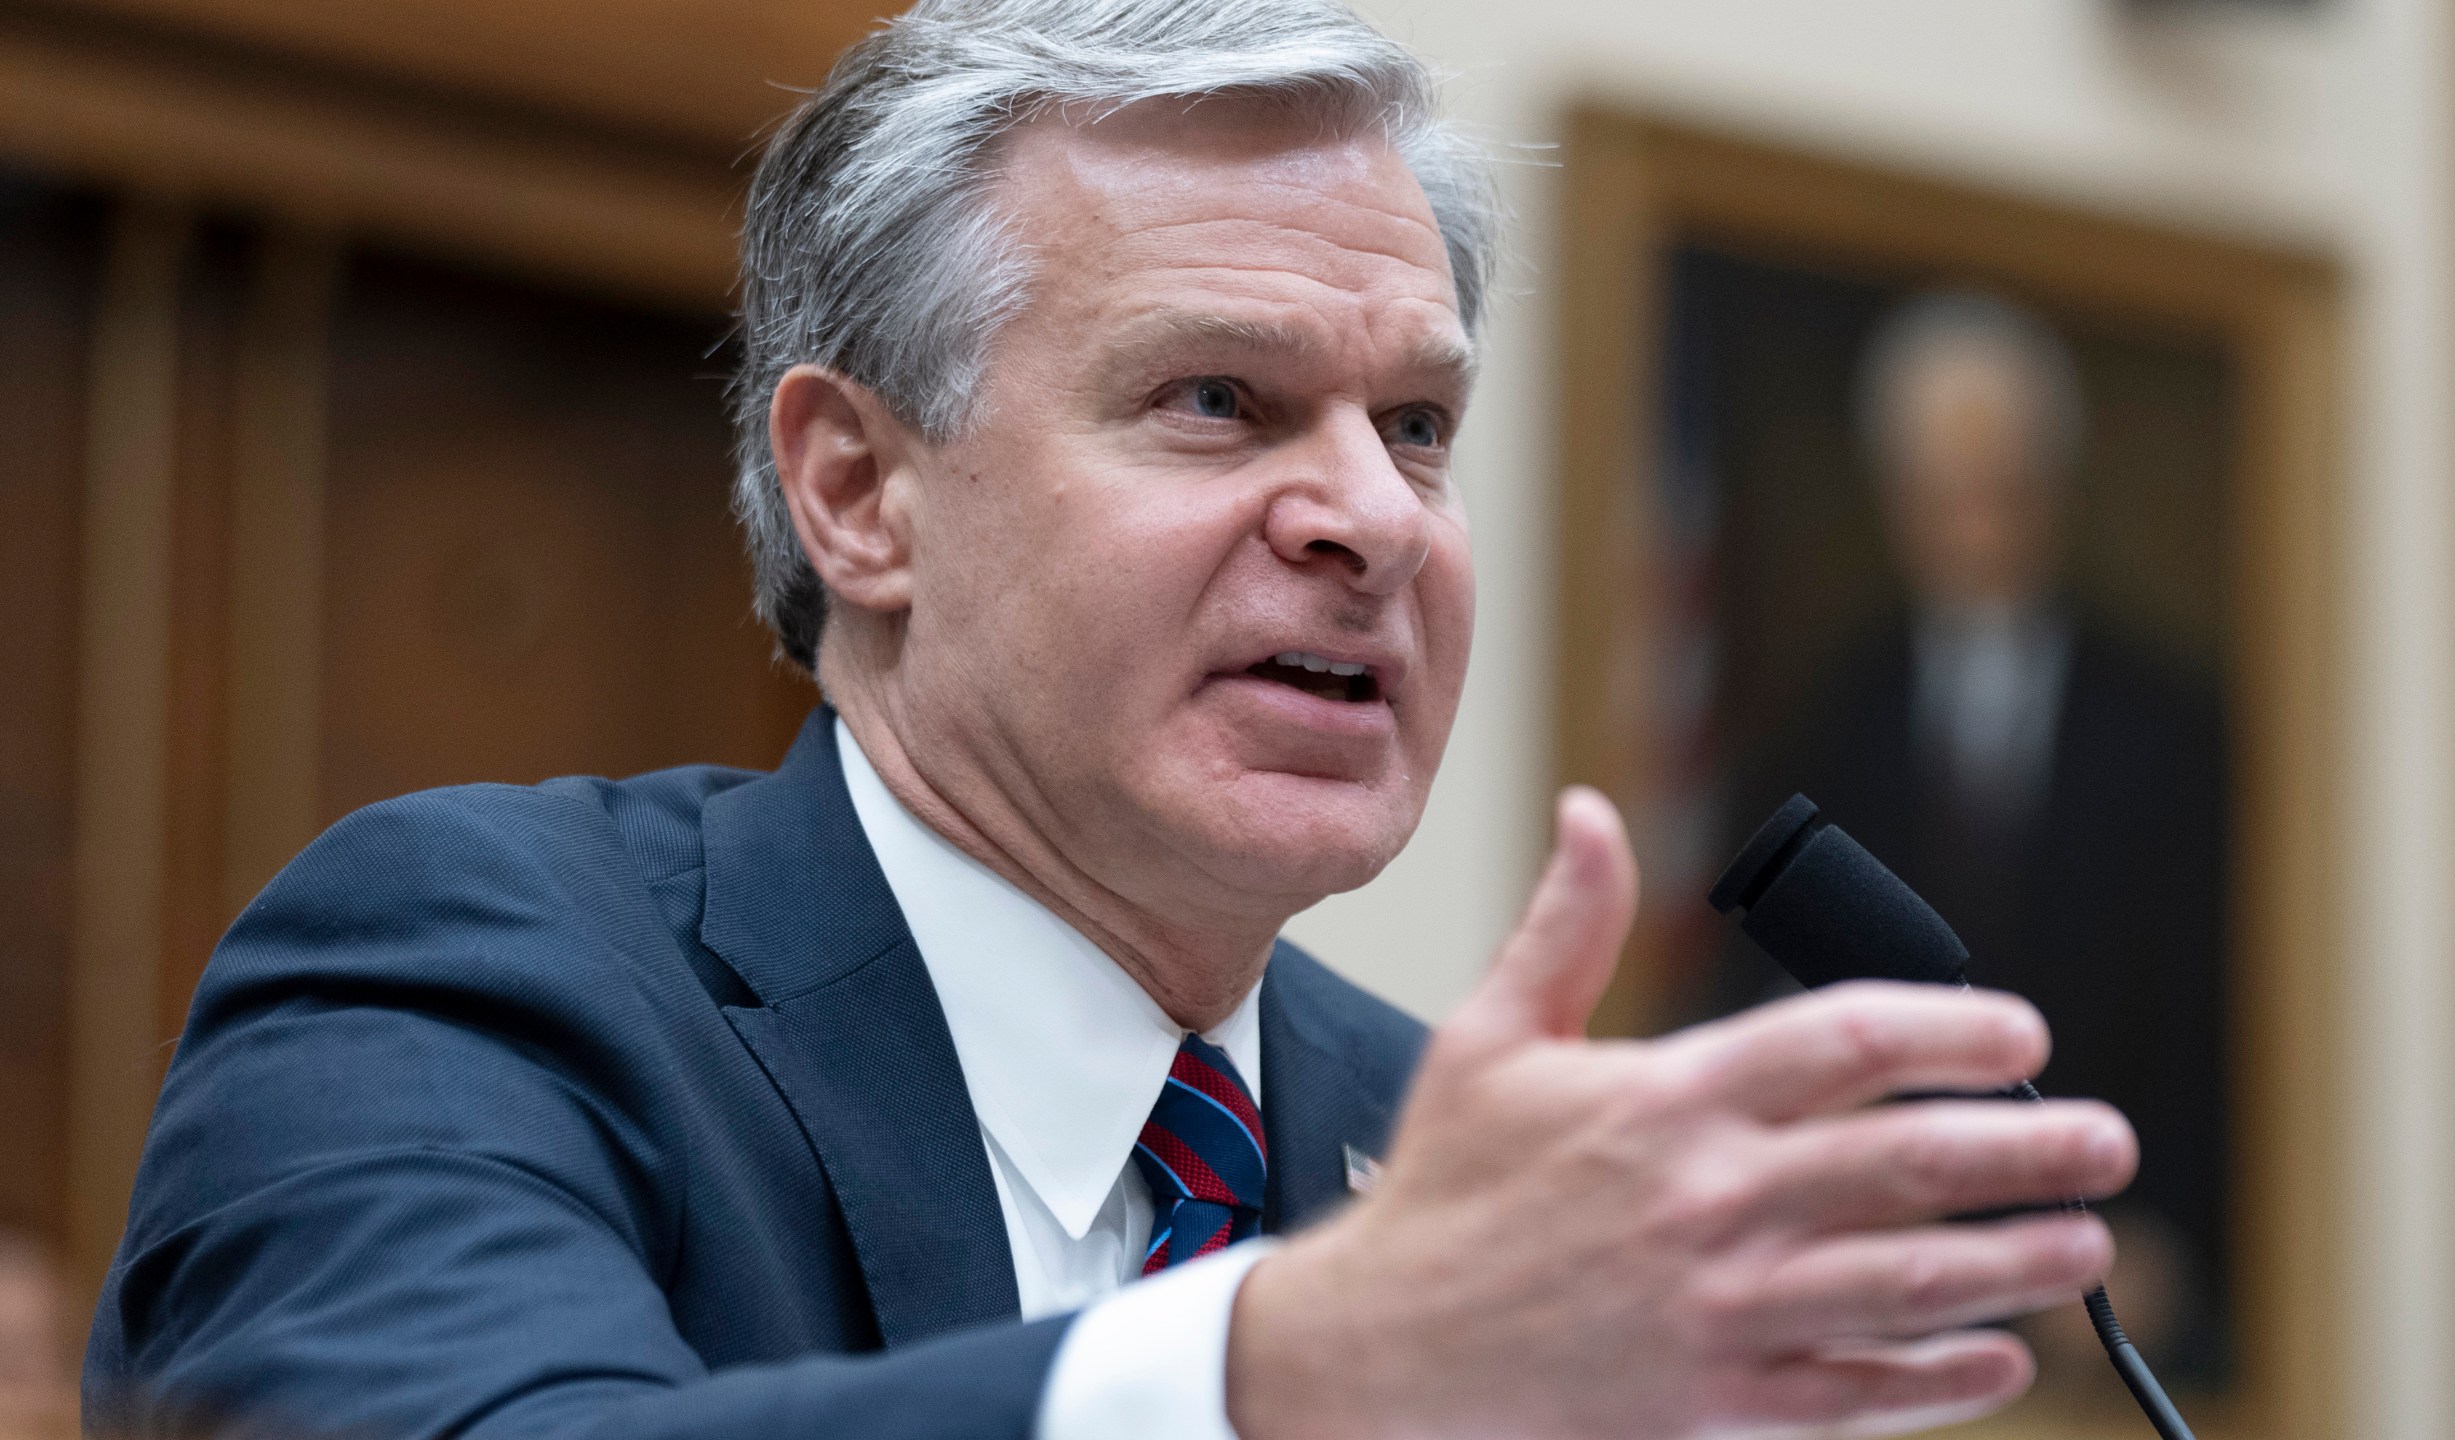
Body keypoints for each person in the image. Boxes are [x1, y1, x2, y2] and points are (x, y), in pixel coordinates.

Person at [85, 5, 2138, 1438]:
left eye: (1413, 425)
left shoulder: (1445, 1155)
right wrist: (1279, 1377)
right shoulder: (468, 976)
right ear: (859, 494)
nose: (1364, 517)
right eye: (1212, 402)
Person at [1728, 289, 2229, 1379]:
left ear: (2055, 486)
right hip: (1883, 1247)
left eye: (2001, 489)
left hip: (2100, 1249)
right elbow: (1763, 978)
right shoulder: (1833, 716)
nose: (1974, 528)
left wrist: (2153, 1234)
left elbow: (2206, 1018)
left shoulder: (2166, 730)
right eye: (1939, 494)